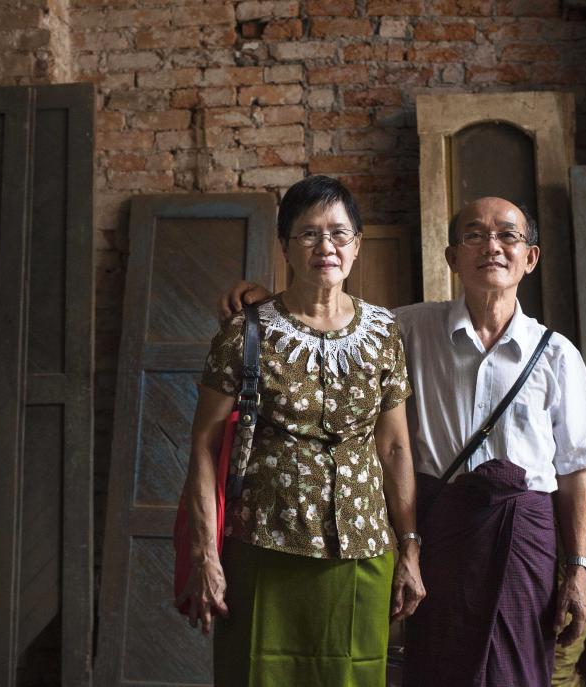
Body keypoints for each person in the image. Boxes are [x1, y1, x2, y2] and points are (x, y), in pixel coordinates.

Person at [219, 196, 586, 687]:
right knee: (434, 665)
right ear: (451, 257)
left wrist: (576, 571)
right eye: (473, 235)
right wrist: (270, 302)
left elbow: (576, 470)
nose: (491, 247)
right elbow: (332, 318)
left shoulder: (556, 354)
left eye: (507, 236)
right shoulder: (405, 327)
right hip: (440, 530)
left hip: (522, 536)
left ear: (529, 258)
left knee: (517, 669)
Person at [177, 174, 426, 687]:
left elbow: (396, 447)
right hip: (265, 546)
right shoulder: (247, 332)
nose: (325, 246)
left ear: (357, 246)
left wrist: (410, 547)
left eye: (339, 233)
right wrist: (206, 554)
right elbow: (204, 446)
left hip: (364, 549)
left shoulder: (384, 334)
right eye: (308, 233)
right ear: (286, 246)